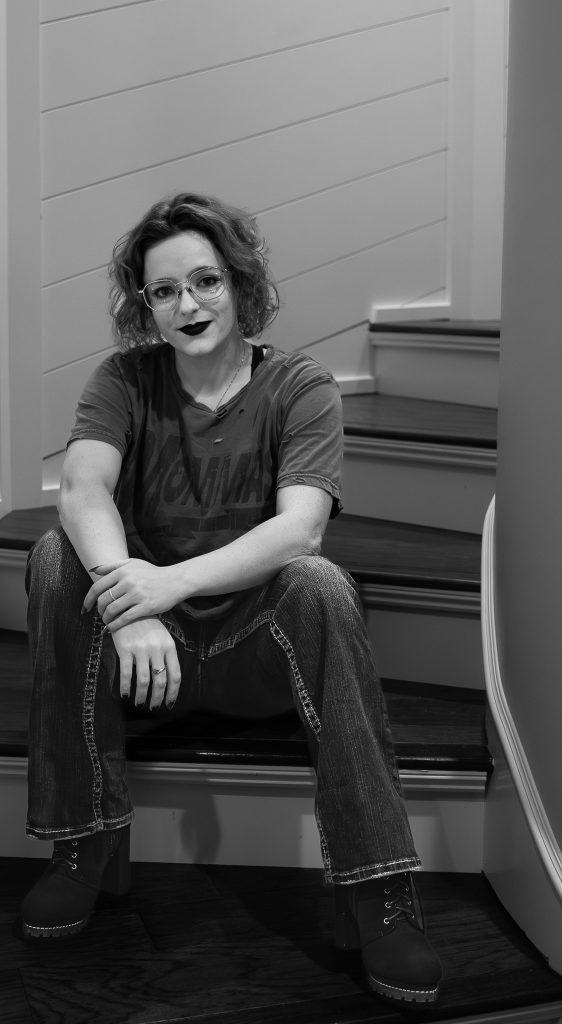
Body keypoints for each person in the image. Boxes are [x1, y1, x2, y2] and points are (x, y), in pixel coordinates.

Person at [20, 192, 442, 1006]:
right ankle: (83, 844)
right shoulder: (125, 380)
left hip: (255, 655)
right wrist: (136, 608)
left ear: (240, 284)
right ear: (145, 306)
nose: (188, 305)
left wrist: (166, 584)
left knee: (322, 584)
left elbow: (300, 531)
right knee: (53, 557)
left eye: (205, 281)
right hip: (146, 667)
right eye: (164, 291)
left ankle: (378, 893)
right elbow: (80, 489)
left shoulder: (300, 386)